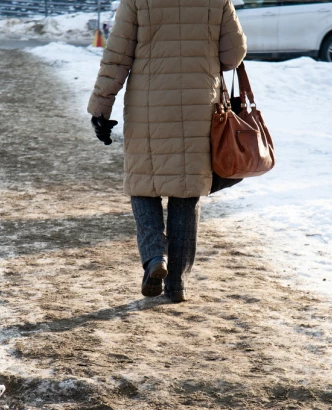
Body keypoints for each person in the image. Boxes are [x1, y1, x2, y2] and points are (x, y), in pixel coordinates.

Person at [88, 0, 247, 302]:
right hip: (201, 105)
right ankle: (177, 284)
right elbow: (233, 55)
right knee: (186, 190)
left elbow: (116, 57)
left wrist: (100, 107)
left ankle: (153, 258)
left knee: (143, 184)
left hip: (147, 107)